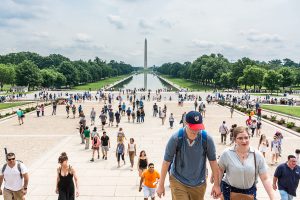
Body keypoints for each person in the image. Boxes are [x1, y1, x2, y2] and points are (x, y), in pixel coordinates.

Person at [157, 111, 221, 200]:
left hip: (199, 183)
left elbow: (213, 162)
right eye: (192, 128)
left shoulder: (207, 139)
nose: (195, 131)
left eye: (198, 128)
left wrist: (216, 185)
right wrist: (161, 185)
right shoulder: (176, 138)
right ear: (186, 123)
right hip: (178, 180)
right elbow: (166, 162)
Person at [218, 126, 275, 200]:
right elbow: (220, 170)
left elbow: (265, 179)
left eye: (246, 137)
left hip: (249, 192)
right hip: (229, 190)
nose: (244, 141)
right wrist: (216, 186)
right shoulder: (227, 153)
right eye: (240, 138)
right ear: (235, 139)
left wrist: (272, 198)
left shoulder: (257, 155)